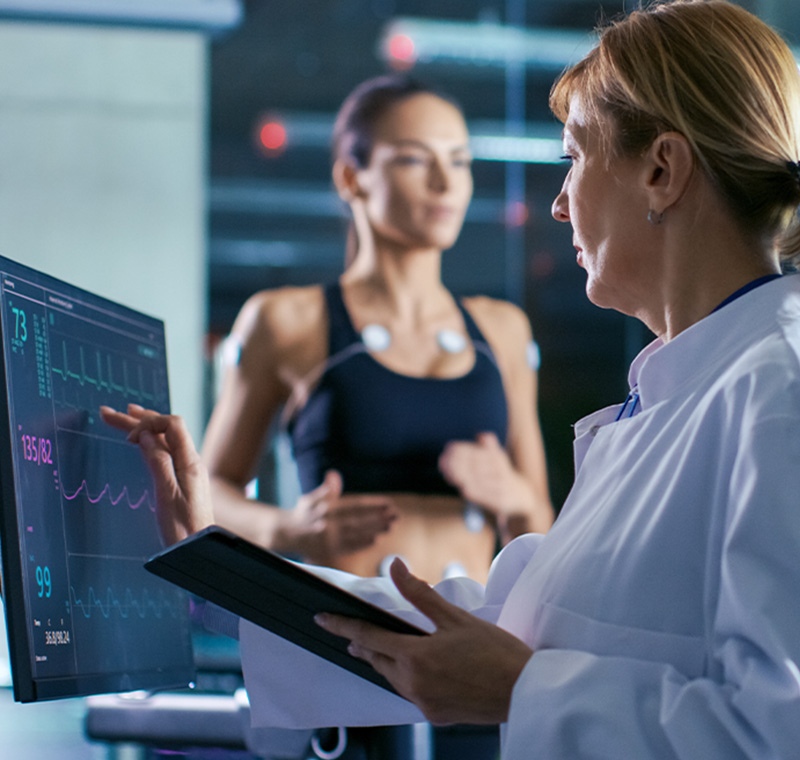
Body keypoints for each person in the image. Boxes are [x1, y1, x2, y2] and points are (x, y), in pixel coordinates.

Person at [102, 0, 800, 757]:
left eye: (574, 157)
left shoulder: (778, 395)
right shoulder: (682, 395)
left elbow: (774, 732)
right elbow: (502, 623)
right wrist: (226, 577)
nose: (561, 204)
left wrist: (518, 691)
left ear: (661, 170)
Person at [200, 73, 553, 585]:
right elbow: (211, 489)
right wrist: (289, 528)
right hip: (344, 640)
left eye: (459, 161)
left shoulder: (503, 329)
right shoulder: (287, 320)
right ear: (351, 178)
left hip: (473, 639)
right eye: (414, 159)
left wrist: (516, 499)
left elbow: (540, 523)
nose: (445, 182)